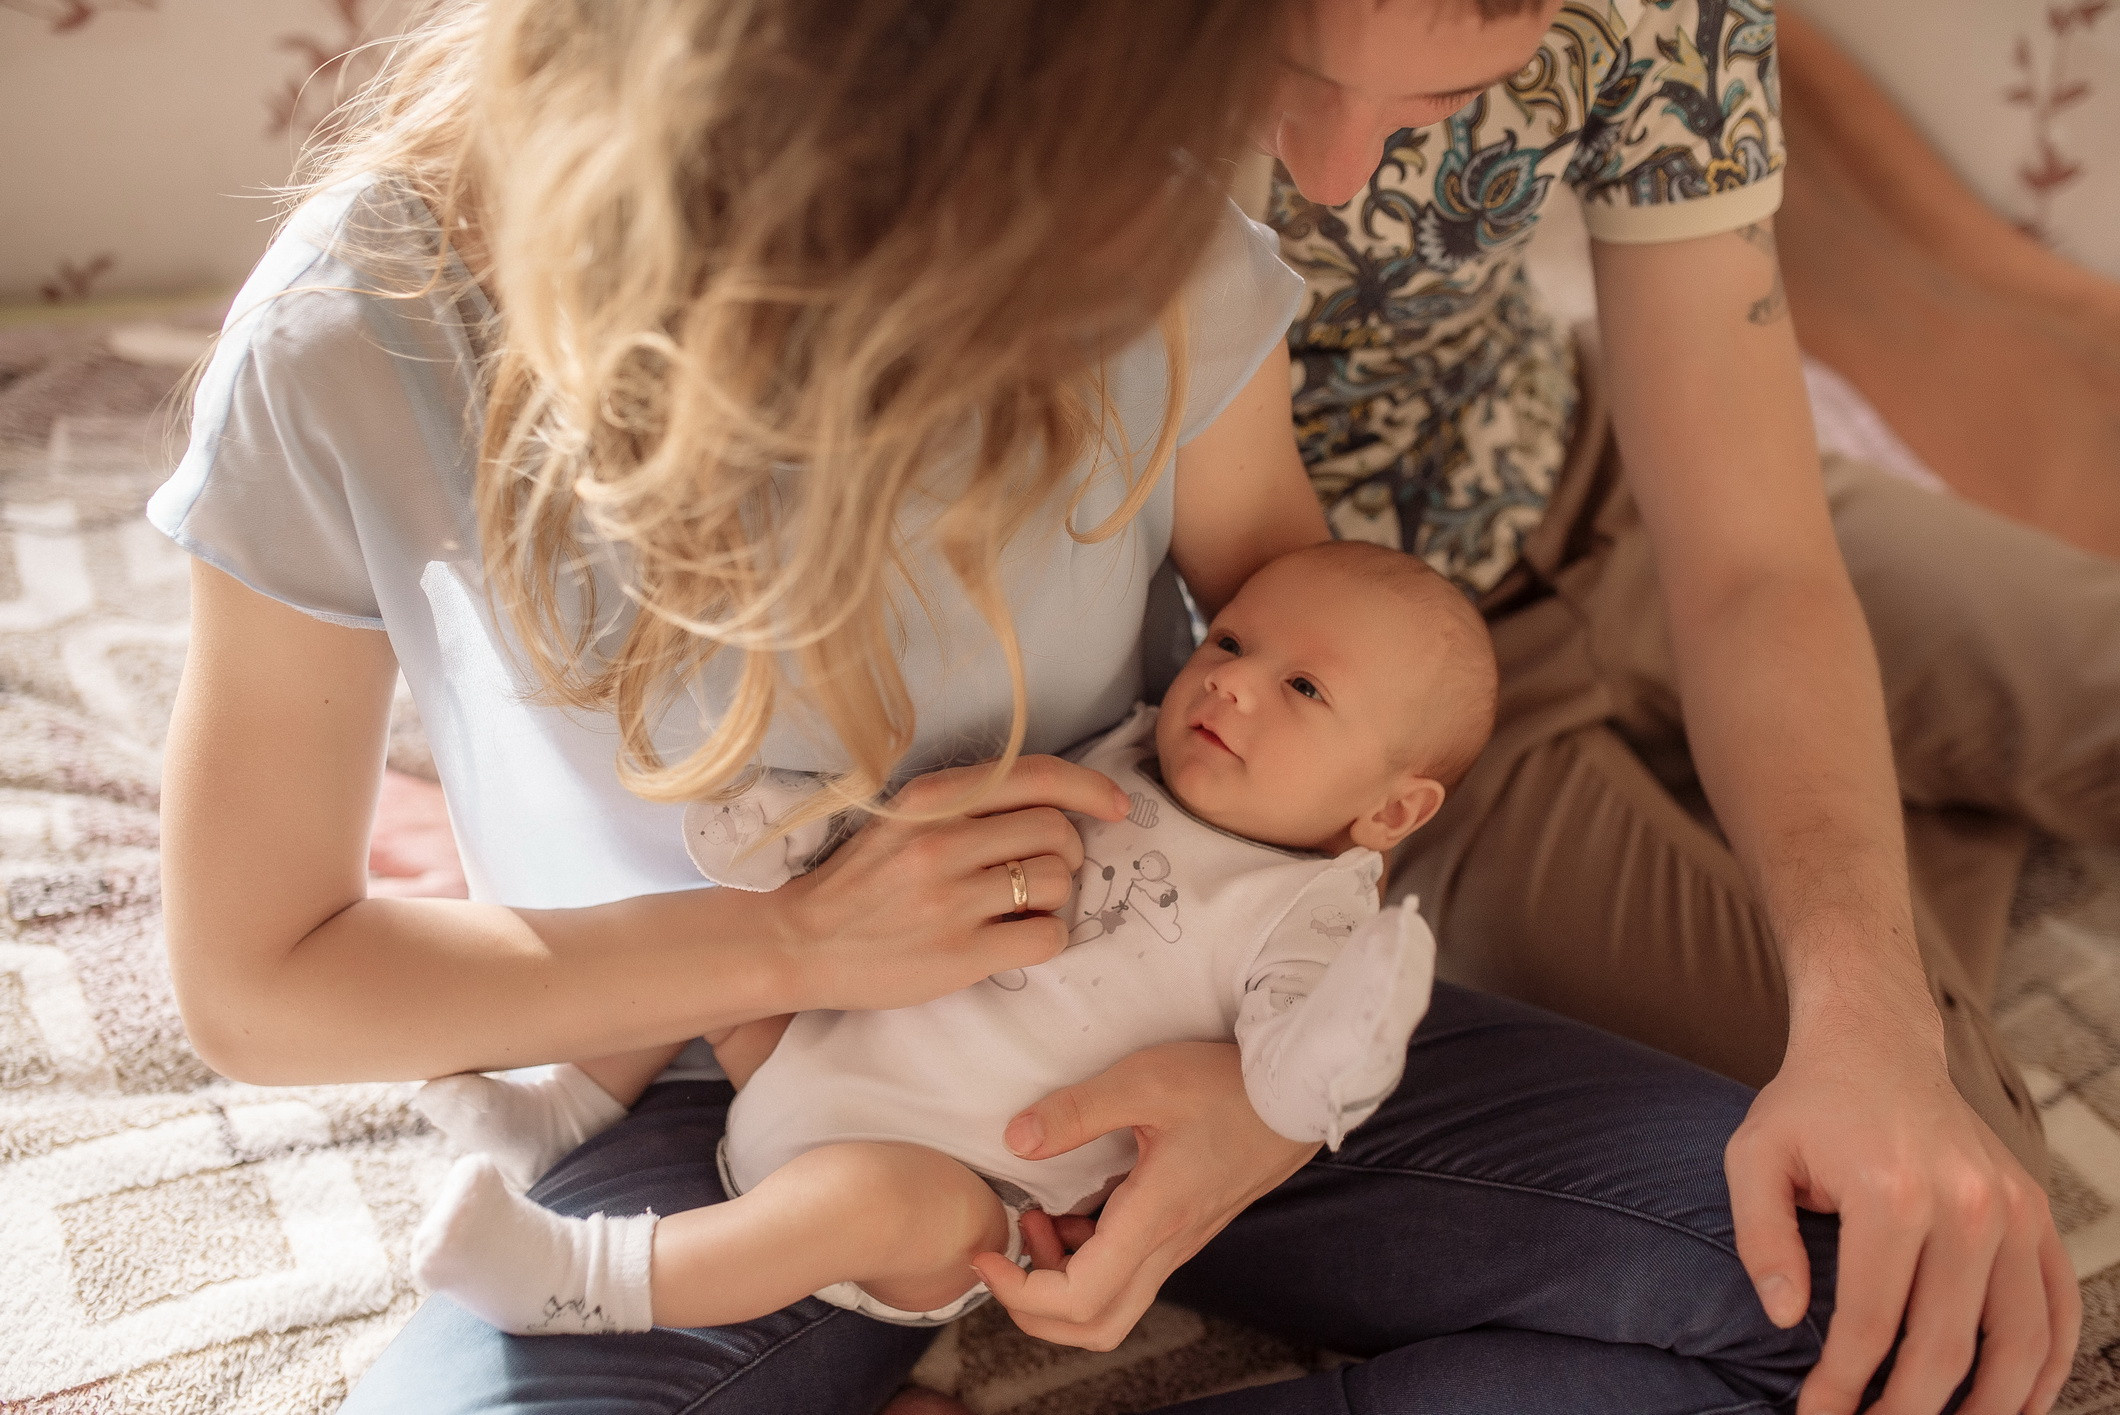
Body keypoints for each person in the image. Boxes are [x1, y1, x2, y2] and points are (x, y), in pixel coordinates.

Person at [153, 1, 1853, 1412]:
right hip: (725, 1085)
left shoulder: (1139, 223)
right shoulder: (353, 339)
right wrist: (799, 948)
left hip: (1170, 989)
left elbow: (1340, 694)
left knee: (1858, 1304)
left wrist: (1253, 1113)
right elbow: (259, 987)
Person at [1249, 0, 2105, 1412]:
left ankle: (1860, 838)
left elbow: (1755, 560)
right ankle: (1880, 830)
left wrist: (1866, 1008)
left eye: (1435, 102)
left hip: (1595, 462)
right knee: (1945, 1244)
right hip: (1380, 691)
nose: (1332, 172)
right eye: (1288, 77)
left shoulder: (1661, 11)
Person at [408, 542, 1483, 1337]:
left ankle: (574, 1277)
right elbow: (936, 842)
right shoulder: (1122, 750)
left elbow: (1282, 1087)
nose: (1233, 678)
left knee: (865, 1201)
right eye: (1231, 638)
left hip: (962, 1189)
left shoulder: (1309, 910)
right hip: (811, 1044)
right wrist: (816, 834)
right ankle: (558, 1114)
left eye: (1302, 687)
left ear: (1391, 812)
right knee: (718, 952)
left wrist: (1348, 1037)